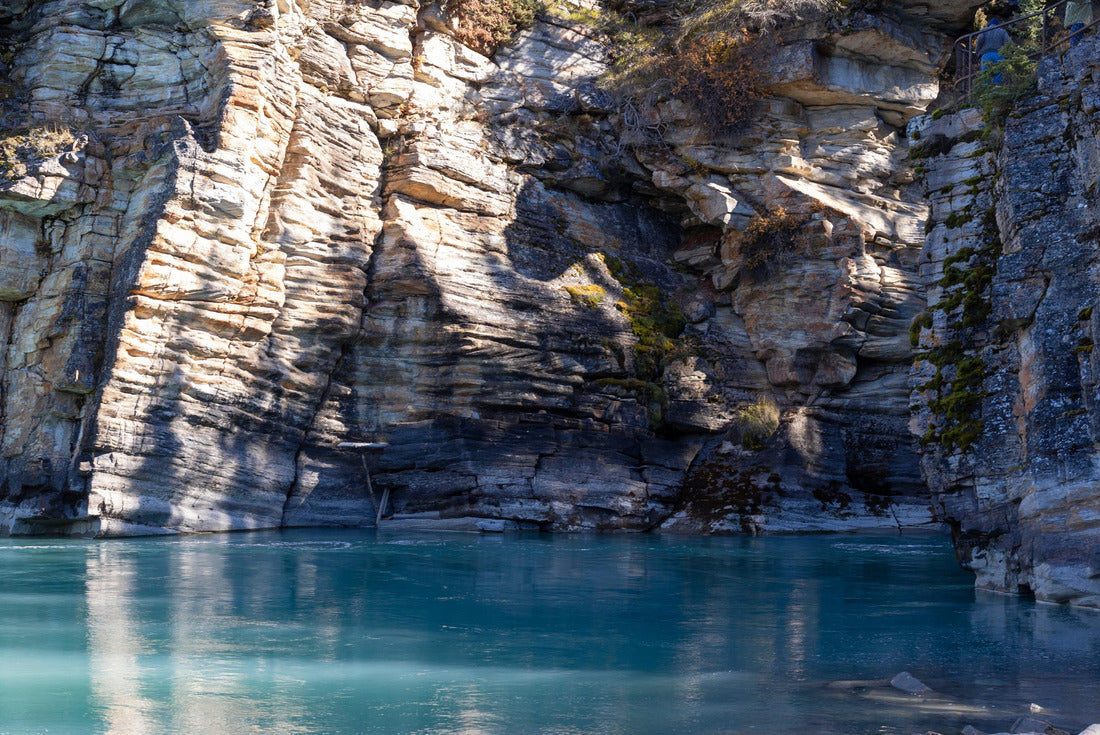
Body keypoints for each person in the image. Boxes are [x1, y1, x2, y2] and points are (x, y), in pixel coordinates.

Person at [974, 17, 1011, 83]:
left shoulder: (984, 30)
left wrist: (977, 52)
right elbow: (1008, 42)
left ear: (989, 24)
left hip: (986, 54)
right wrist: (1008, 54)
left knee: (985, 74)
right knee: (998, 74)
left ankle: (985, 91)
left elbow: (980, 40)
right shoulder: (1002, 31)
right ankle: (996, 91)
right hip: (999, 54)